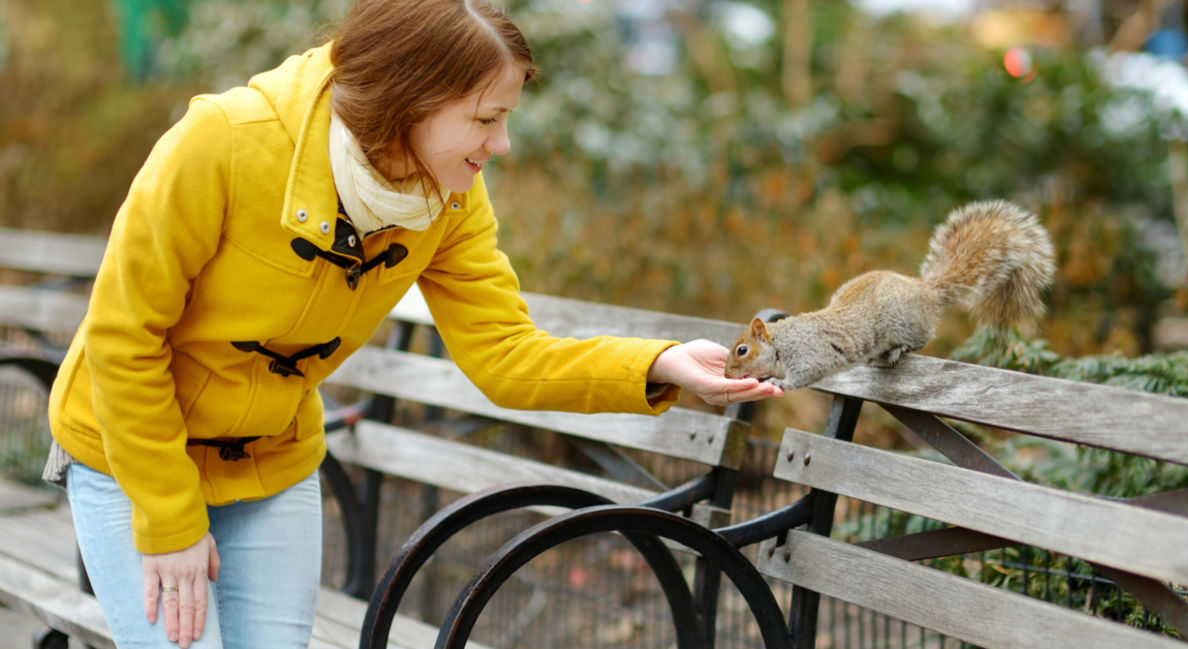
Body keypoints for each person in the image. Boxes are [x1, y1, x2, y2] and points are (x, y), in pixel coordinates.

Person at [43, 1, 783, 647]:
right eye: (486, 119)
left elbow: (505, 355)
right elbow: (122, 335)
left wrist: (657, 364)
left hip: (269, 461)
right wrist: (170, 521)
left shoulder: (451, 196)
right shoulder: (226, 142)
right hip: (129, 460)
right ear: (409, 101)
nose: (501, 144)